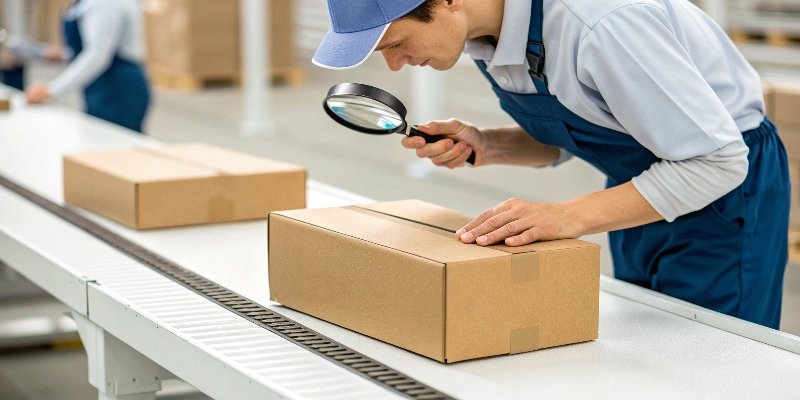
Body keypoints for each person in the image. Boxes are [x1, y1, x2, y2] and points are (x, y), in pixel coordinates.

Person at [312, 0, 791, 329]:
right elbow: (593, 125)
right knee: (657, 343)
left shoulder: (602, 23)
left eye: (395, 42)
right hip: (640, 186)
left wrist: (566, 215)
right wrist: (489, 144)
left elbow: (716, 160)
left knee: (716, 361)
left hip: (726, 196)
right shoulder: (488, 34)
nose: (395, 65)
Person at [25, 0, 150, 133]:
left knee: (112, 146)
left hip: (117, 90)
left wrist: (51, 90)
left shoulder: (107, 3)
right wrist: (64, 55)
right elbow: (98, 44)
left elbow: (98, 55)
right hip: (101, 86)